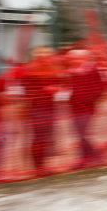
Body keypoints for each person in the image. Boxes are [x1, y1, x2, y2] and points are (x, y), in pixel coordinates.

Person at [19, 46, 64, 177]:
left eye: (47, 53)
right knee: (39, 137)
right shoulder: (29, 70)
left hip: (51, 107)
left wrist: (57, 88)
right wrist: (46, 90)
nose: (44, 56)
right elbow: (26, 91)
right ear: (35, 55)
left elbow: (61, 83)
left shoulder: (54, 68)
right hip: (36, 108)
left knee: (48, 136)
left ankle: (44, 164)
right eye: (41, 53)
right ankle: (38, 166)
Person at [66, 48, 106, 168]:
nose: (74, 60)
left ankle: (94, 155)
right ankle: (86, 157)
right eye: (72, 59)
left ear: (85, 58)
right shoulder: (71, 72)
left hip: (87, 107)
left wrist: (90, 100)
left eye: (77, 58)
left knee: (83, 133)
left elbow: (101, 88)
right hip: (74, 107)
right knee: (79, 134)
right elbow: (68, 88)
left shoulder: (92, 70)